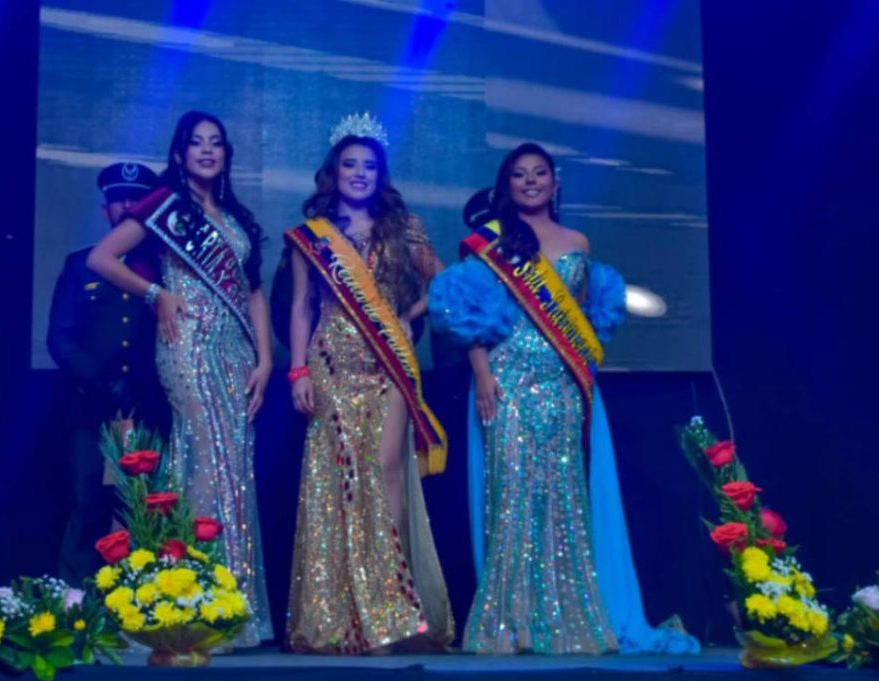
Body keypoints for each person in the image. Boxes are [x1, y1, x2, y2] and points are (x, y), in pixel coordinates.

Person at [444, 171, 700, 655]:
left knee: (562, 497)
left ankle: (564, 616)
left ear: (555, 185)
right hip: (508, 378)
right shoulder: (490, 243)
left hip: (562, 380)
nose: (530, 181)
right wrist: (481, 373)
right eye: (519, 175)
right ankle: (512, 620)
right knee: (511, 495)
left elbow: (581, 315)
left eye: (540, 173)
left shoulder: (579, 240)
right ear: (506, 187)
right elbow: (467, 311)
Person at [85, 112, 273, 646]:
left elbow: (254, 292)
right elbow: (102, 258)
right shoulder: (165, 207)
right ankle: (190, 600)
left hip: (237, 352)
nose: (207, 151)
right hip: (185, 345)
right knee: (205, 460)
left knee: (233, 465)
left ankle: (231, 602)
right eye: (197, 143)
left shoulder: (234, 215)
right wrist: (154, 294)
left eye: (216, 143)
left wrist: (264, 359)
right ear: (180, 153)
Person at [285, 113, 453, 654]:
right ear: (333, 171)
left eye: (370, 166)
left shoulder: (405, 227)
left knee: (386, 473)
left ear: (382, 175)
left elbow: (448, 282)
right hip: (331, 362)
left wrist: (411, 314)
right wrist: (298, 370)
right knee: (338, 481)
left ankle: (392, 606)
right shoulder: (313, 237)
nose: (359, 173)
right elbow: (300, 306)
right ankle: (341, 613)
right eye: (350, 164)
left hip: (388, 365)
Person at [48, 162, 169, 585]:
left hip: (149, 407)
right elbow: (60, 339)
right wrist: (102, 383)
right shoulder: (81, 265)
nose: (128, 206)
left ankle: (149, 608)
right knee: (87, 506)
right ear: (106, 211)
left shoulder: (164, 268)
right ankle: (77, 607)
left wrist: (138, 388)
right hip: (91, 407)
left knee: (147, 509)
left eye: (137, 200)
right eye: (120, 200)